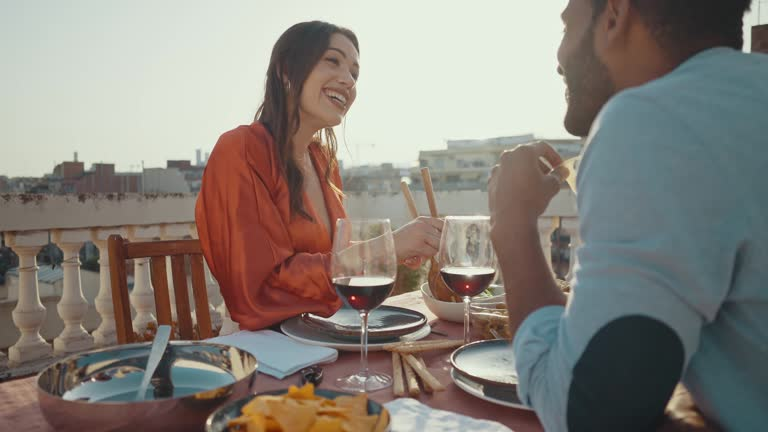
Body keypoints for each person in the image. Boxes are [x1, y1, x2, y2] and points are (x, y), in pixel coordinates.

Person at [488, 0, 767, 430]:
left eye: (566, 26)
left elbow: (586, 414)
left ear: (615, 14)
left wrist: (511, 223)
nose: (560, 57)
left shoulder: (656, 118)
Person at [196, 21, 442, 331]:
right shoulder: (242, 149)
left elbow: (336, 268)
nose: (348, 80)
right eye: (333, 60)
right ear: (287, 70)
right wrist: (387, 246)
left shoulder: (323, 161)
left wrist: (393, 254)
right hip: (267, 349)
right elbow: (260, 289)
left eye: (354, 73)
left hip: (327, 333)